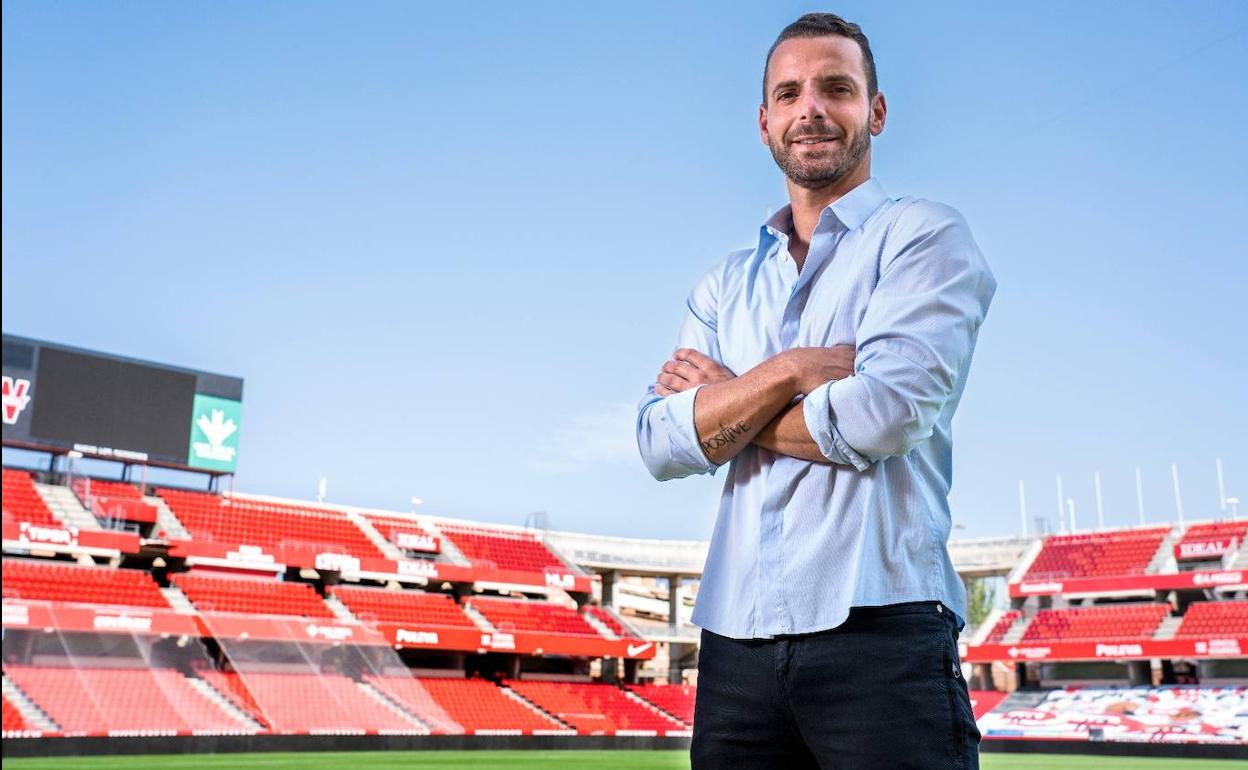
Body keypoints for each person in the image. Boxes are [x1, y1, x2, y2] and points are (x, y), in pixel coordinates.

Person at [635, 12, 996, 769]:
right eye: (790, 92)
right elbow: (661, 443)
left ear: (877, 110)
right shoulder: (724, 284)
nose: (813, 109)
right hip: (735, 641)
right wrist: (789, 372)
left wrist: (727, 404)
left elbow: (883, 418)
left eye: (838, 88)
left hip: (883, 631)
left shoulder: (923, 236)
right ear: (764, 122)